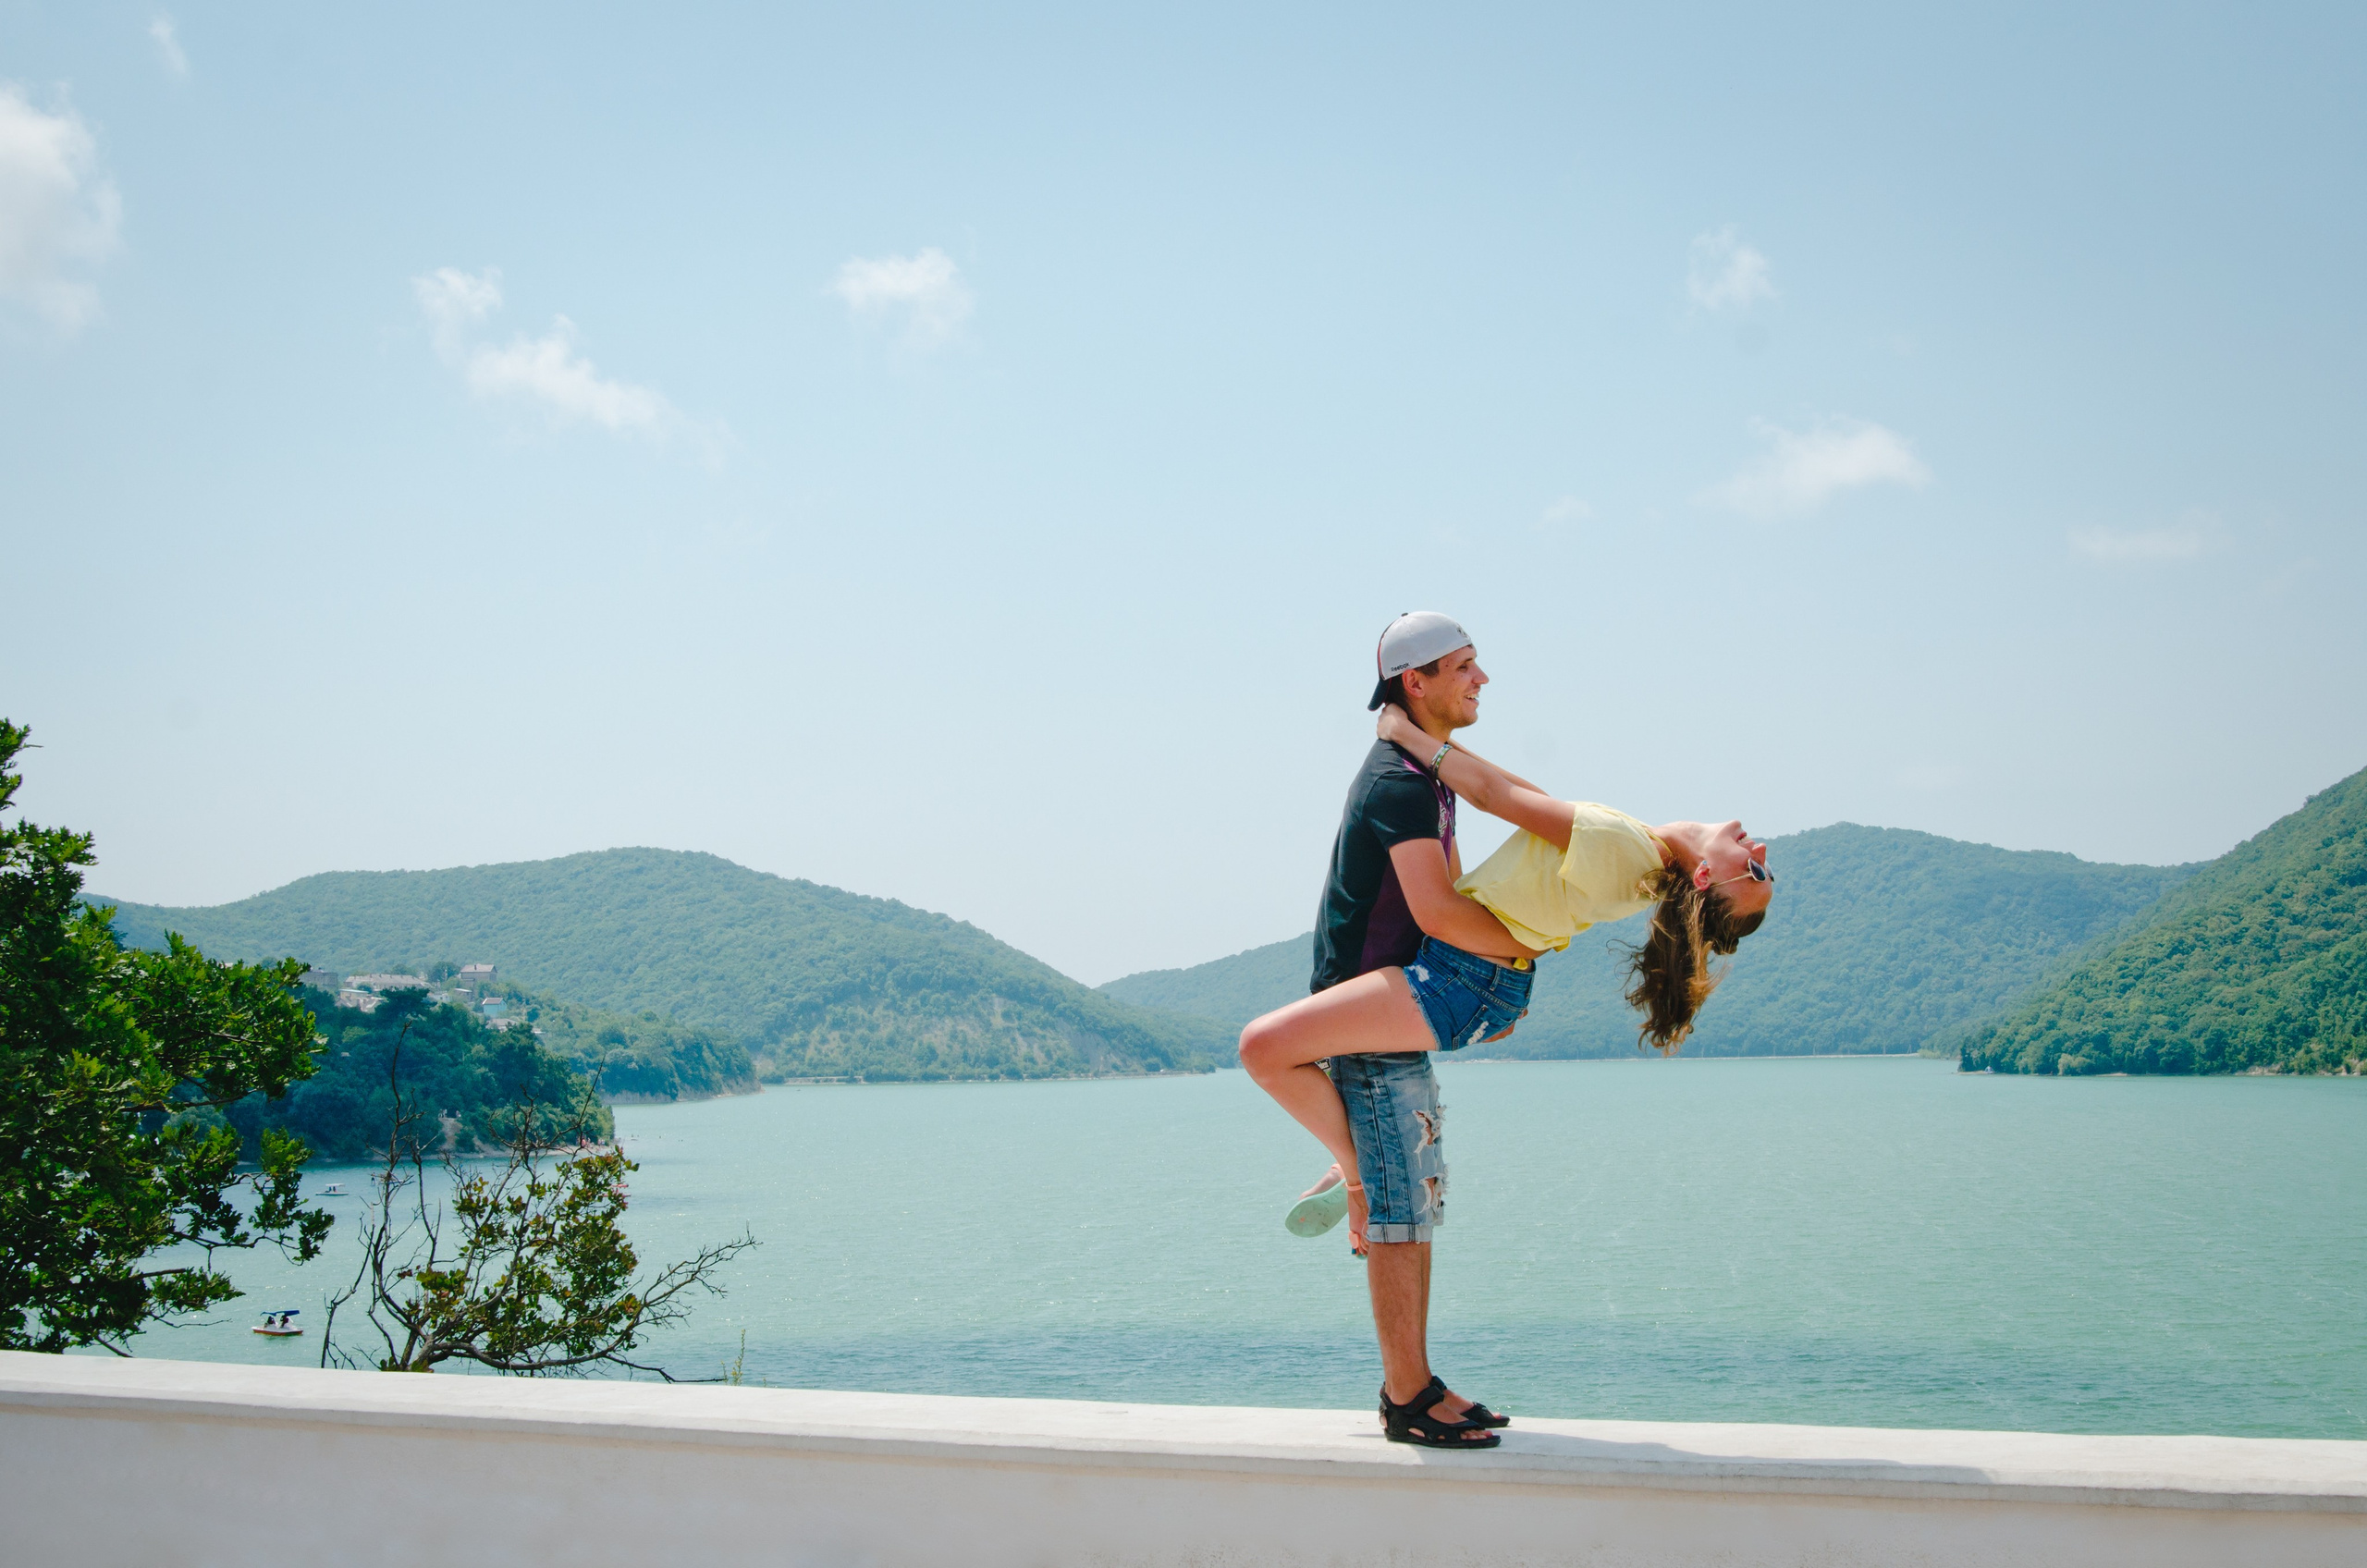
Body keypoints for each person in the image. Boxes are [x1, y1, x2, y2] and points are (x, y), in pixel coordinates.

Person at [1237, 612, 1772, 1450]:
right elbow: (1480, 835)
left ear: (1706, 878)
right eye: (1466, 666)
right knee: (1402, 1202)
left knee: (1321, 1115)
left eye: (1758, 871)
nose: (1482, 679)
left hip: (1434, 983)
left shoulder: (1420, 782)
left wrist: (1520, 954)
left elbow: (1454, 888)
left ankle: (1406, 1378)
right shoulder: (1414, 781)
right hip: (1429, 986)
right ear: (1416, 681)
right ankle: (1410, 1381)